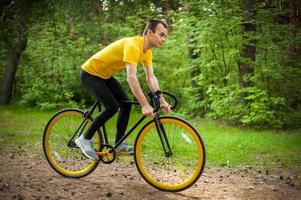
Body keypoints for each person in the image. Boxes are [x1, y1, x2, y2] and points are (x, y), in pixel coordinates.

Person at [75, 19, 172, 161]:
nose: (163, 39)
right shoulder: (133, 45)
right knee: (112, 107)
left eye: (165, 36)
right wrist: (145, 104)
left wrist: (162, 101)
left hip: (104, 76)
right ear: (149, 33)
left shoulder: (147, 52)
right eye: (161, 34)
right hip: (90, 73)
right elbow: (131, 78)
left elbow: (151, 78)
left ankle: (119, 144)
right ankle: (84, 138)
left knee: (125, 104)